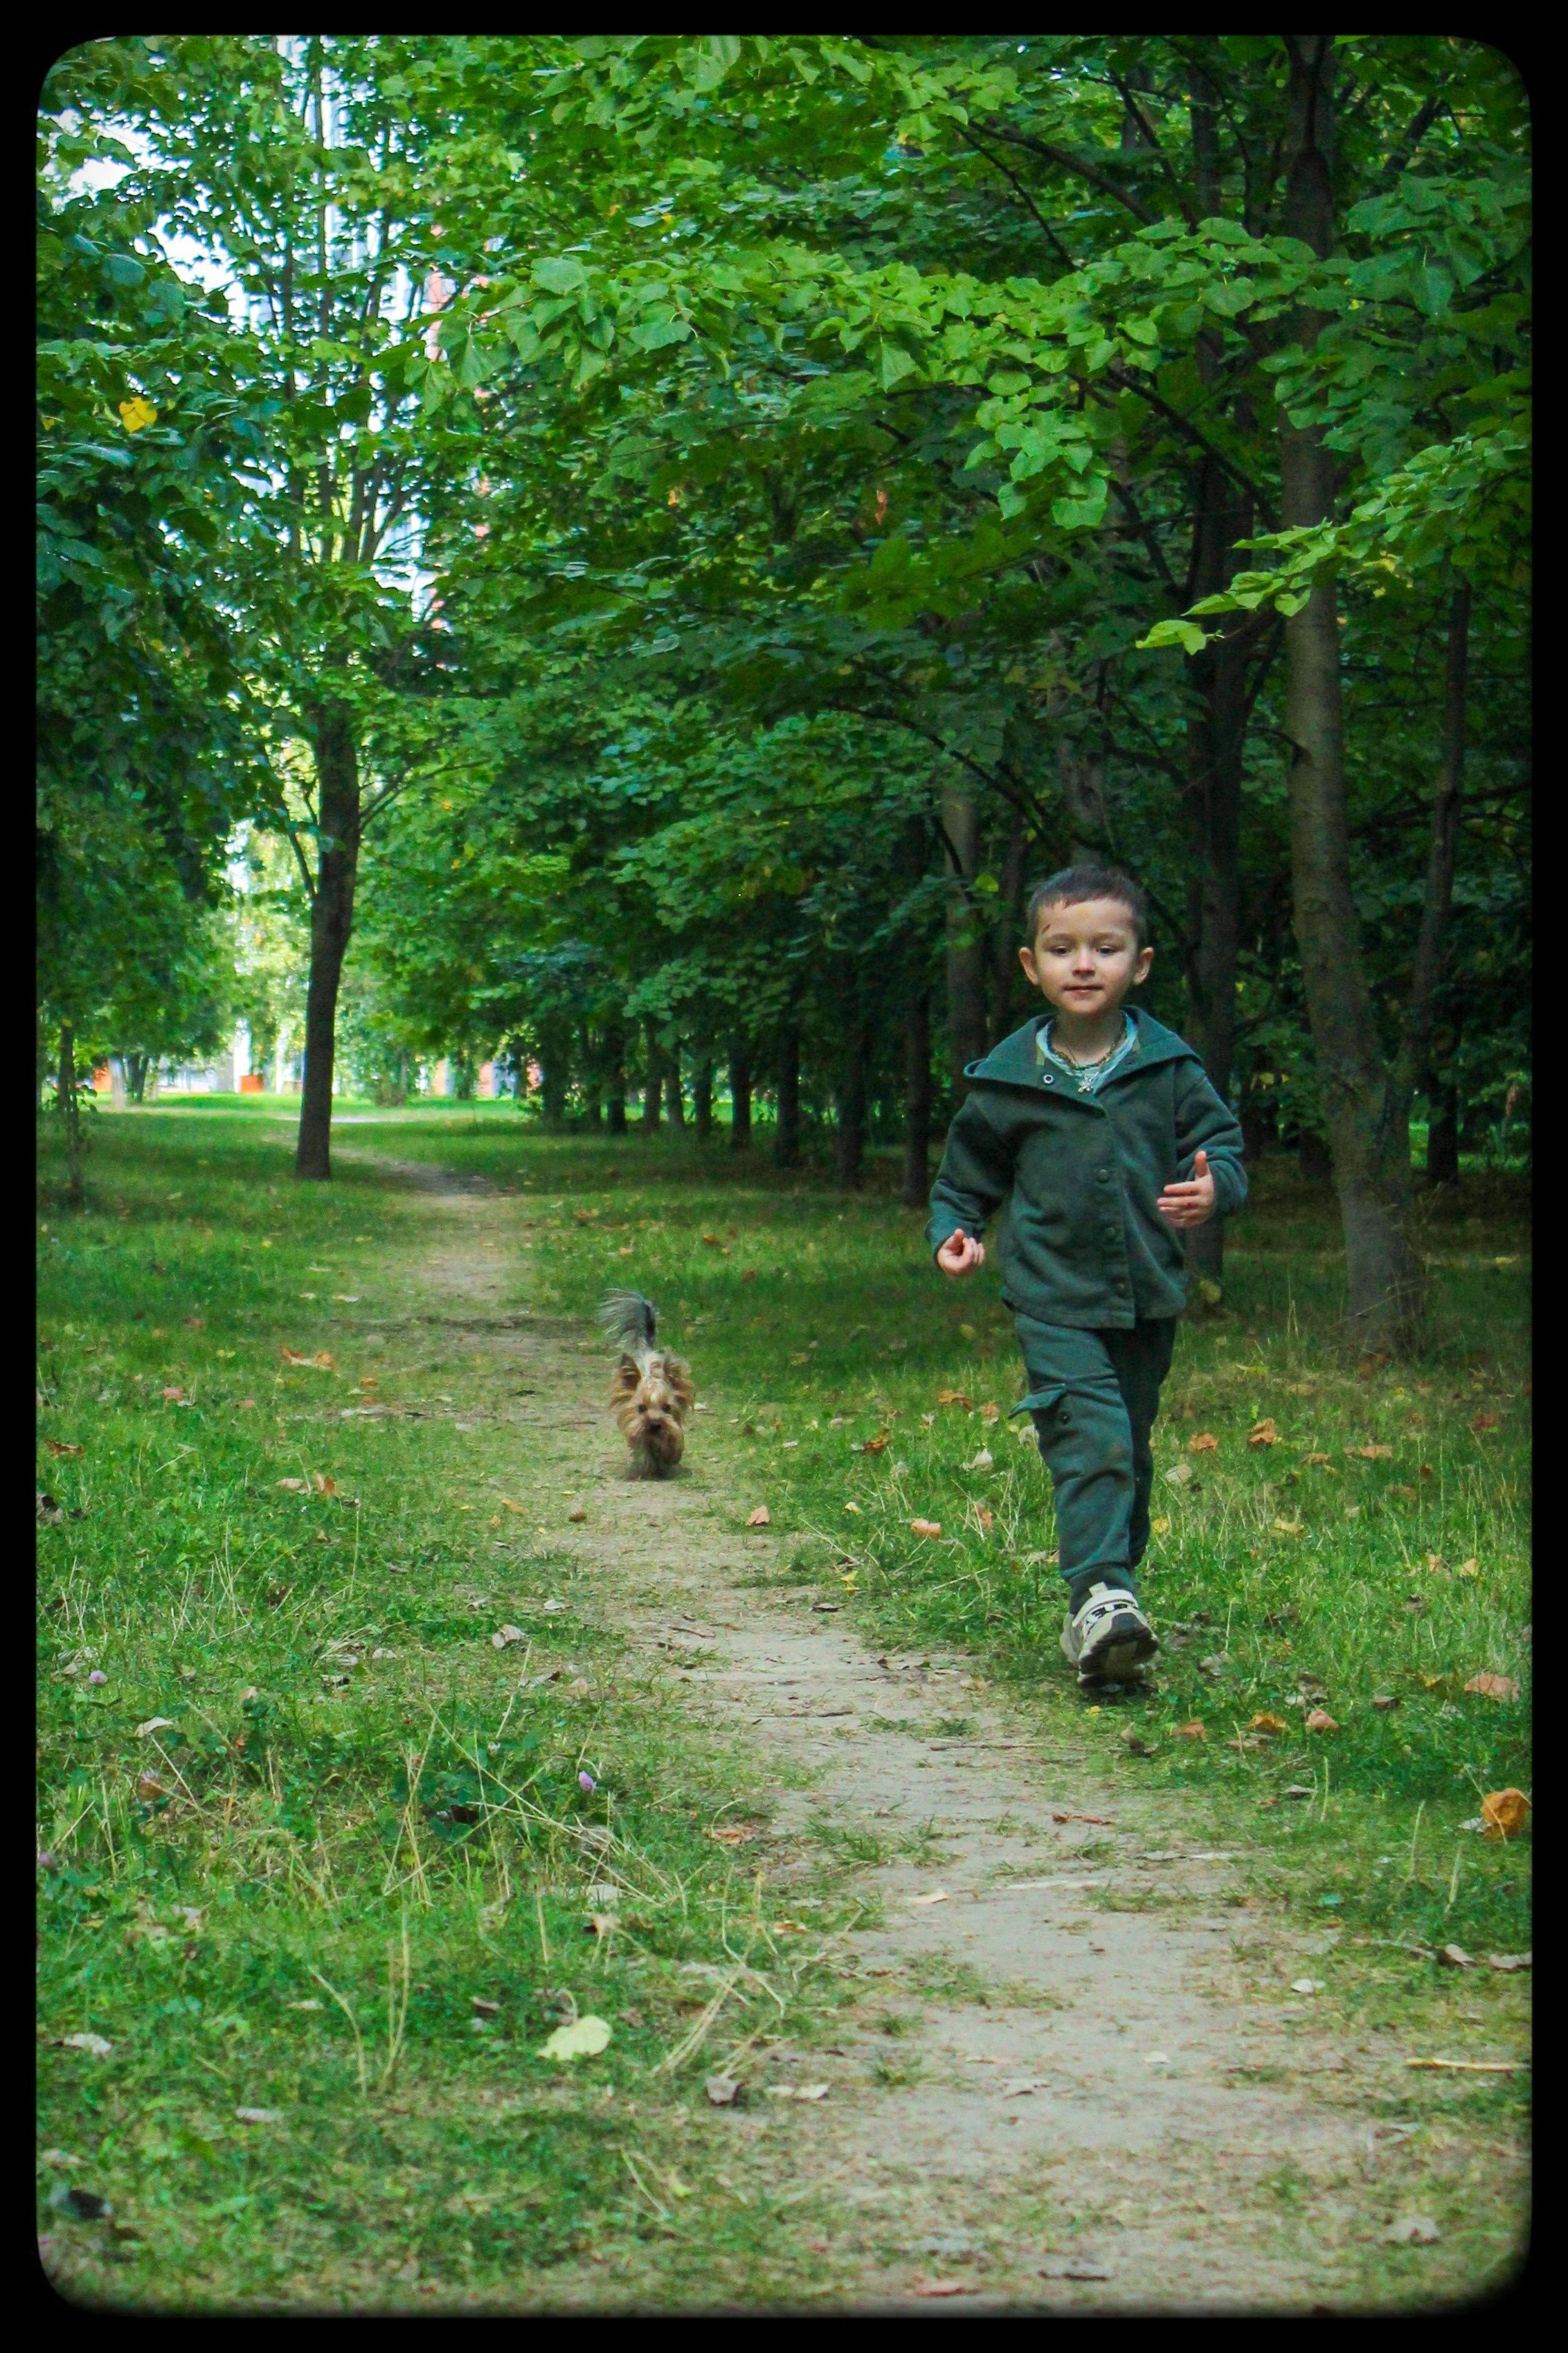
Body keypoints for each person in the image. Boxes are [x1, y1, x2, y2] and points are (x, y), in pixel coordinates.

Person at [926, 864, 1245, 1688]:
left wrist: (1215, 1189)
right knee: (1090, 1438)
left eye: (1105, 947)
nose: (1083, 963)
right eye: (1062, 948)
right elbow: (965, 1180)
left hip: (1146, 1294)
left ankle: (1109, 1619)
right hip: (1051, 1295)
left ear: (1139, 963)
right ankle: (1101, 1590)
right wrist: (953, 1232)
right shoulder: (1008, 1083)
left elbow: (1225, 1148)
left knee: (1128, 1452)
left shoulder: (1168, 1068)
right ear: (1032, 966)